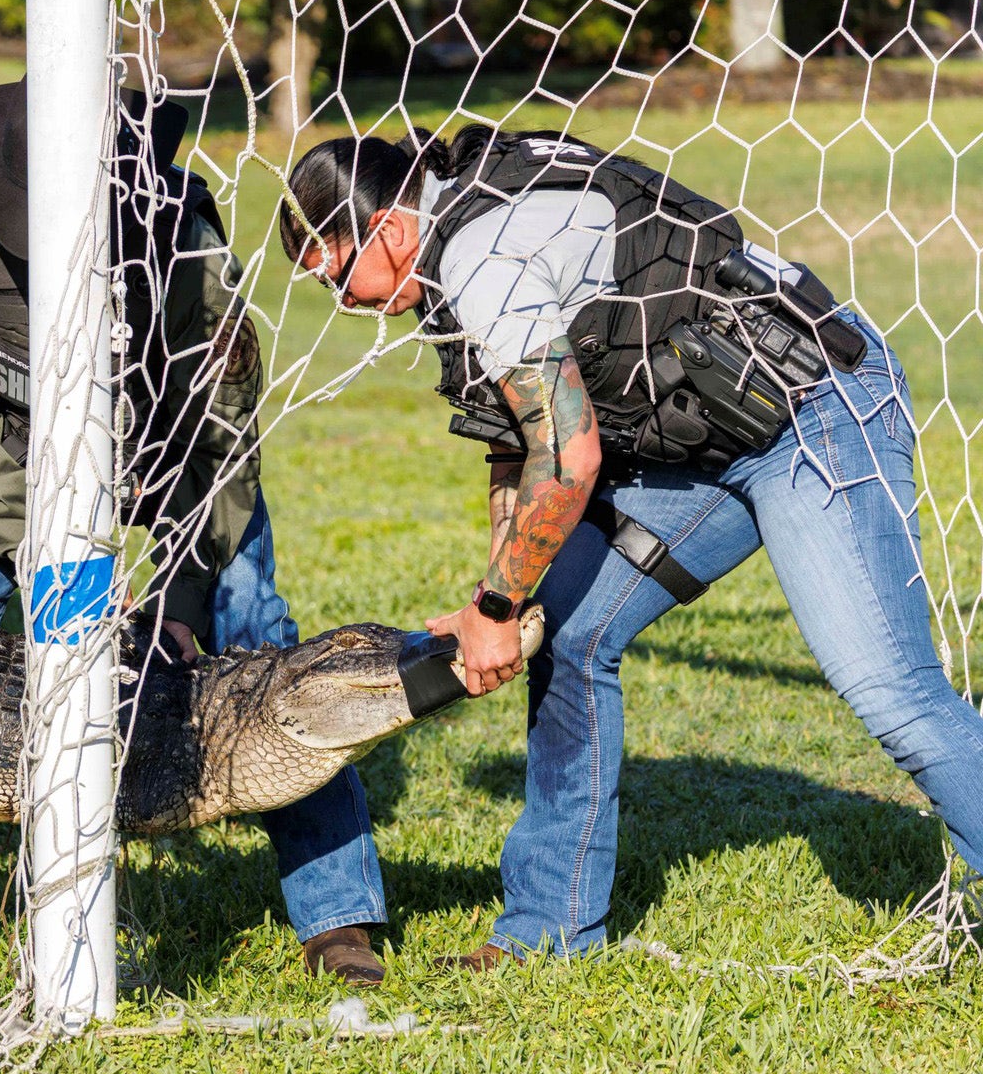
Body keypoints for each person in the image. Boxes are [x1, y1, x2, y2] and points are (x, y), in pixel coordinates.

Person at [279, 126, 983, 967]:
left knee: (890, 690)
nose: (341, 300)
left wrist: (498, 607)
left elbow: (568, 457)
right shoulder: (456, 225)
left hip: (812, 412)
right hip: (705, 439)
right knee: (570, 636)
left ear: (388, 229)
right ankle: (547, 934)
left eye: (334, 272)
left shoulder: (475, 257)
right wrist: (498, 599)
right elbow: (518, 437)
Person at [0, 79, 391, 983]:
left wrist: (180, 594)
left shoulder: (186, 234)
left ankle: (336, 914)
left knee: (263, 639)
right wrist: (55, 551)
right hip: (10, 486)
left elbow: (224, 435)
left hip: (170, 468)